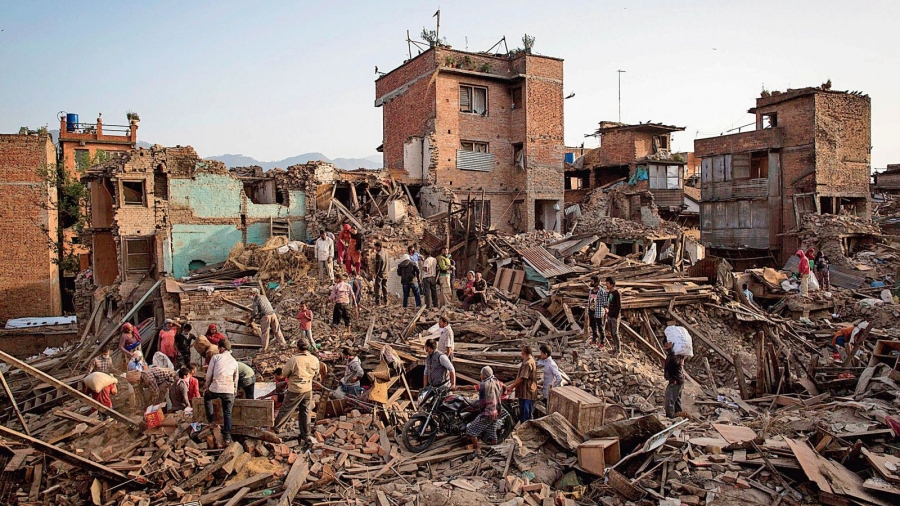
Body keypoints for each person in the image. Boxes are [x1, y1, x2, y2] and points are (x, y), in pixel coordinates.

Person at [273, 339, 322, 448]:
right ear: (308, 347)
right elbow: (317, 373)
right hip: (308, 389)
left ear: (297, 347)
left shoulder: (294, 360)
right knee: (305, 411)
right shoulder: (314, 359)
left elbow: (284, 374)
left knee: (286, 409)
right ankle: (305, 433)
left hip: (295, 389)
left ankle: (276, 428)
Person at [204, 339, 239, 444]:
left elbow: (209, 375)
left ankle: (211, 421)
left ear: (222, 348)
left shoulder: (216, 357)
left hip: (216, 388)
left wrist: (208, 386)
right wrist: (234, 391)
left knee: (207, 396)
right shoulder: (234, 361)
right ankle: (227, 437)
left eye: (219, 348)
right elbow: (235, 379)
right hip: (229, 390)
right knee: (227, 413)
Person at [464, 366, 503, 453]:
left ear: (485, 375)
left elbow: (471, 387)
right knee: (492, 433)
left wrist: (458, 388)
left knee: (471, 431)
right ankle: (495, 451)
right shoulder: (496, 382)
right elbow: (503, 386)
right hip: (496, 412)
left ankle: (477, 450)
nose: (480, 376)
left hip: (487, 413)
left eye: (481, 374)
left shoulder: (484, 384)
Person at [505, 345, 538, 422]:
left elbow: (522, 378)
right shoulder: (531, 360)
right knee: (525, 414)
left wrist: (511, 387)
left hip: (527, 393)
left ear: (523, 352)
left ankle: (527, 432)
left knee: (526, 416)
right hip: (526, 392)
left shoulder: (527, 363)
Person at [663, 339, 686, 419]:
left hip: (676, 380)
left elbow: (675, 363)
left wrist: (671, 350)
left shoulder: (676, 356)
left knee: (669, 399)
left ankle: (671, 418)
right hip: (676, 380)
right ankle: (678, 416)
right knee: (676, 400)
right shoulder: (672, 355)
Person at [587, 276, 609, 347]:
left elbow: (605, 302)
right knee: (593, 326)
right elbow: (589, 301)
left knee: (600, 327)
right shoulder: (591, 291)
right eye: (591, 281)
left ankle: (602, 342)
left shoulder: (602, 291)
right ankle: (594, 339)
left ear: (596, 282)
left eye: (592, 281)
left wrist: (605, 308)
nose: (591, 283)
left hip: (598, 311)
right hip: (591, 310)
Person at [604, 277, 622, 355]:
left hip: (615, 316)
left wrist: (615, 316)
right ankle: (614, 348)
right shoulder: (609, 293)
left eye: (608, 283)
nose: (606, 285)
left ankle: (618, 350)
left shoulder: (616, 293)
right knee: (612, 333)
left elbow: (619, 306)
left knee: (615, 333)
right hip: (609, 315)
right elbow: (608, 303)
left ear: (612, 284)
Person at [373, 241, 388, 306]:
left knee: (377, 287)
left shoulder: (378, 254)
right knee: (384, 286)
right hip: (386, 272)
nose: (375, 249)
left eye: (376, 247)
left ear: (378, 247)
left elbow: (378, 266)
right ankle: (386, 300)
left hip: (380, 273)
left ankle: (378, 302)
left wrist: (376, 273)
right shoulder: (385, 253)